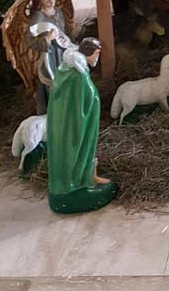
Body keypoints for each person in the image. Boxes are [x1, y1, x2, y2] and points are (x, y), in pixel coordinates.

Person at [46, 38, 118, 214]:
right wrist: (93, 100)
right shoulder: (78, 75)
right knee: (77, 150)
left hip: (68, 123)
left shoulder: (67, 69)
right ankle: (75, 185)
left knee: (77, 151)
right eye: (96, 54)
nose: (97, 58)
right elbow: (81, 100)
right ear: (88, 53)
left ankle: (87, 178)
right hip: (75, 126)